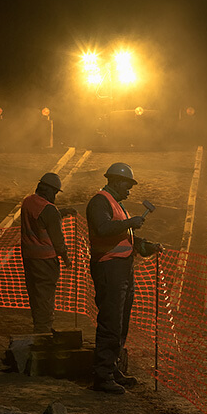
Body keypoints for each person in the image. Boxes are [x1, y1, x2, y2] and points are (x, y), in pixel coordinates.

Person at [87, 162, 163, 394]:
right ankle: (102, 376)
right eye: (127, 185)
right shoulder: (99, 202)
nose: (129, 190)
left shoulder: (117, 205)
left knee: (120, 323)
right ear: (114, 181)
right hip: (109, 269)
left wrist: (144, 245)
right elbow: (102, 229)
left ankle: (112, 368)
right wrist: (130, 223)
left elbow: (122, 236)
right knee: (111, 322)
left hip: (122, 269)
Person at [20, 172, 74, 334]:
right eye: (55, 193)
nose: (55, 196)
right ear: (49, 191)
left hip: (29, 258)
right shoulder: (49, 210)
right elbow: (58, 242)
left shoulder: (28, 201)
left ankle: (39, 325)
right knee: (46, 296)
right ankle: (43, 331)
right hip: (46, 260)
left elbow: (41, 219)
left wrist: (60, 212)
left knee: (35, 294)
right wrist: (66, 259)